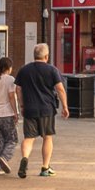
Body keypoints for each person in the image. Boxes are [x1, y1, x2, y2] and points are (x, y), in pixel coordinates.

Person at [14, 43, 69, 178]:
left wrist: (21, 105)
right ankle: (45, 167)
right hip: (47, 109)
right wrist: (65, 107)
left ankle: (25, 158)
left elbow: (18, 89)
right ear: (46, 56)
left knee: (28, 138)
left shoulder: (24, 70)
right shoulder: (52, 70)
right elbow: (60, 89)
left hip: (29, 109)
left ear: (34, 55)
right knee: (47, 137)